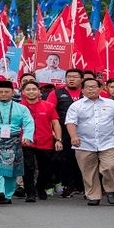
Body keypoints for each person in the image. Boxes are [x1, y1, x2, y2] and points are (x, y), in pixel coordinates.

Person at [65, 78, 114, 206]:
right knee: (88, 171)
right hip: (84, 143)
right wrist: (73, 136)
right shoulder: (76, 105)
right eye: (88, 87)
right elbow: (70, 122)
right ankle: (93, 195)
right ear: (82, 90)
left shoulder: (111, 104)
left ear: (100, 89)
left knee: (110, 166)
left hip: (108, 142)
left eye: (94, 86)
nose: (91, 89)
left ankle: (112, 190)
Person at [20, 81, 62, 201]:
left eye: (34, 89)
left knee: (46, 169)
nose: (31, 92)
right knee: (28, 168)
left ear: (39, 91)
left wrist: (59, 140)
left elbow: (55, 123)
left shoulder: (48, 106)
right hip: (26, 142)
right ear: (23, 92)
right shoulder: (19, 107)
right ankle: (30, 193)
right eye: (28, 89)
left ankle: (40, 187)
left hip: (46, 141)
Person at [46, 68, 85, 197]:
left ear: (82, 79)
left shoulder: (86, 93)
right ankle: (67, 185)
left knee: (83, 159)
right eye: (69, 77)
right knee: (65, 159)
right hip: (63, 131)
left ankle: (82, 185)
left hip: (85, 131)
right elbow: (50, 113)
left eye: (75, 77)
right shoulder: (56, 93)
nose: (71, 79)